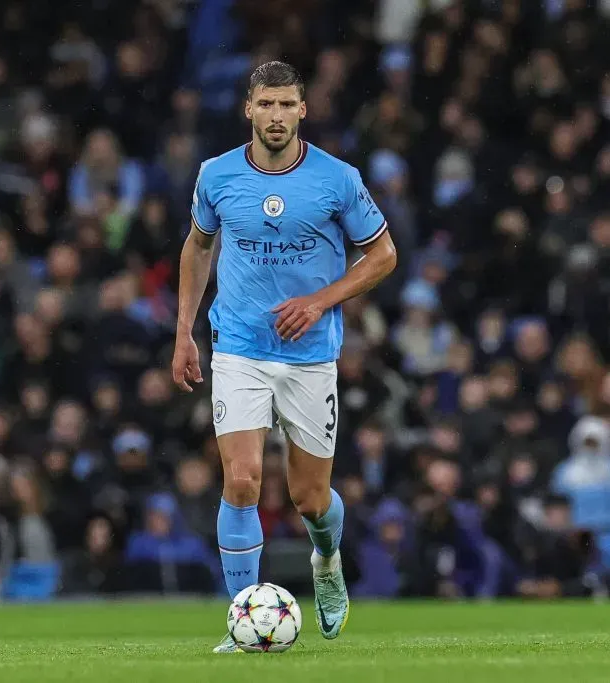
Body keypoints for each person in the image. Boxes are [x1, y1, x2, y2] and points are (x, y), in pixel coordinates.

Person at [171, 61, 397, 652]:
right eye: (266, 104)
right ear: (248, 109)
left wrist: (320, 301)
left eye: (287, 105)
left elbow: (383, 255)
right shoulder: (216, 174)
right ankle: (242, 620)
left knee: (310, 499)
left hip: (309, 355)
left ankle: (327, 560)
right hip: (238, 346)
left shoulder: (337, 179)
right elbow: (198, 248)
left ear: (303, 111)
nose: (276, 116)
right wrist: (184, 331)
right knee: (242, 479)